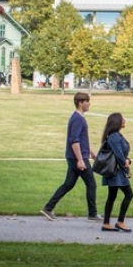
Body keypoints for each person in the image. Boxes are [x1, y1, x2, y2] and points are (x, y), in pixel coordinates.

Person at [41, 92, 100, 221]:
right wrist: (80, 160)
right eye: (87, 101)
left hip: (76, 156)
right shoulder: (78, 119)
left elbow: (81, 139)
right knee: (91, 184)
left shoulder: (77, 117)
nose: (89, 103)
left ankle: (48, 208)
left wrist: (90, 151)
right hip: (78, 158)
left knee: (68, 184)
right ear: (80, 103)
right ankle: (93, 214)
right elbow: (74, 141)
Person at [99, 112, 133, 232]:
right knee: (129, 194)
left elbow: (121, 155)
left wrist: (127, 160)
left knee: (112, 196)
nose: (125, 120)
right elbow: (119, 156)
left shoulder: (116, 135)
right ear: (117, 122)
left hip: (116, 171)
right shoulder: (114, 137)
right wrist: (127, 168)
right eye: (122, 119)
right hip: (116, 172)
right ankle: (120, 221)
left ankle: (106, 223)